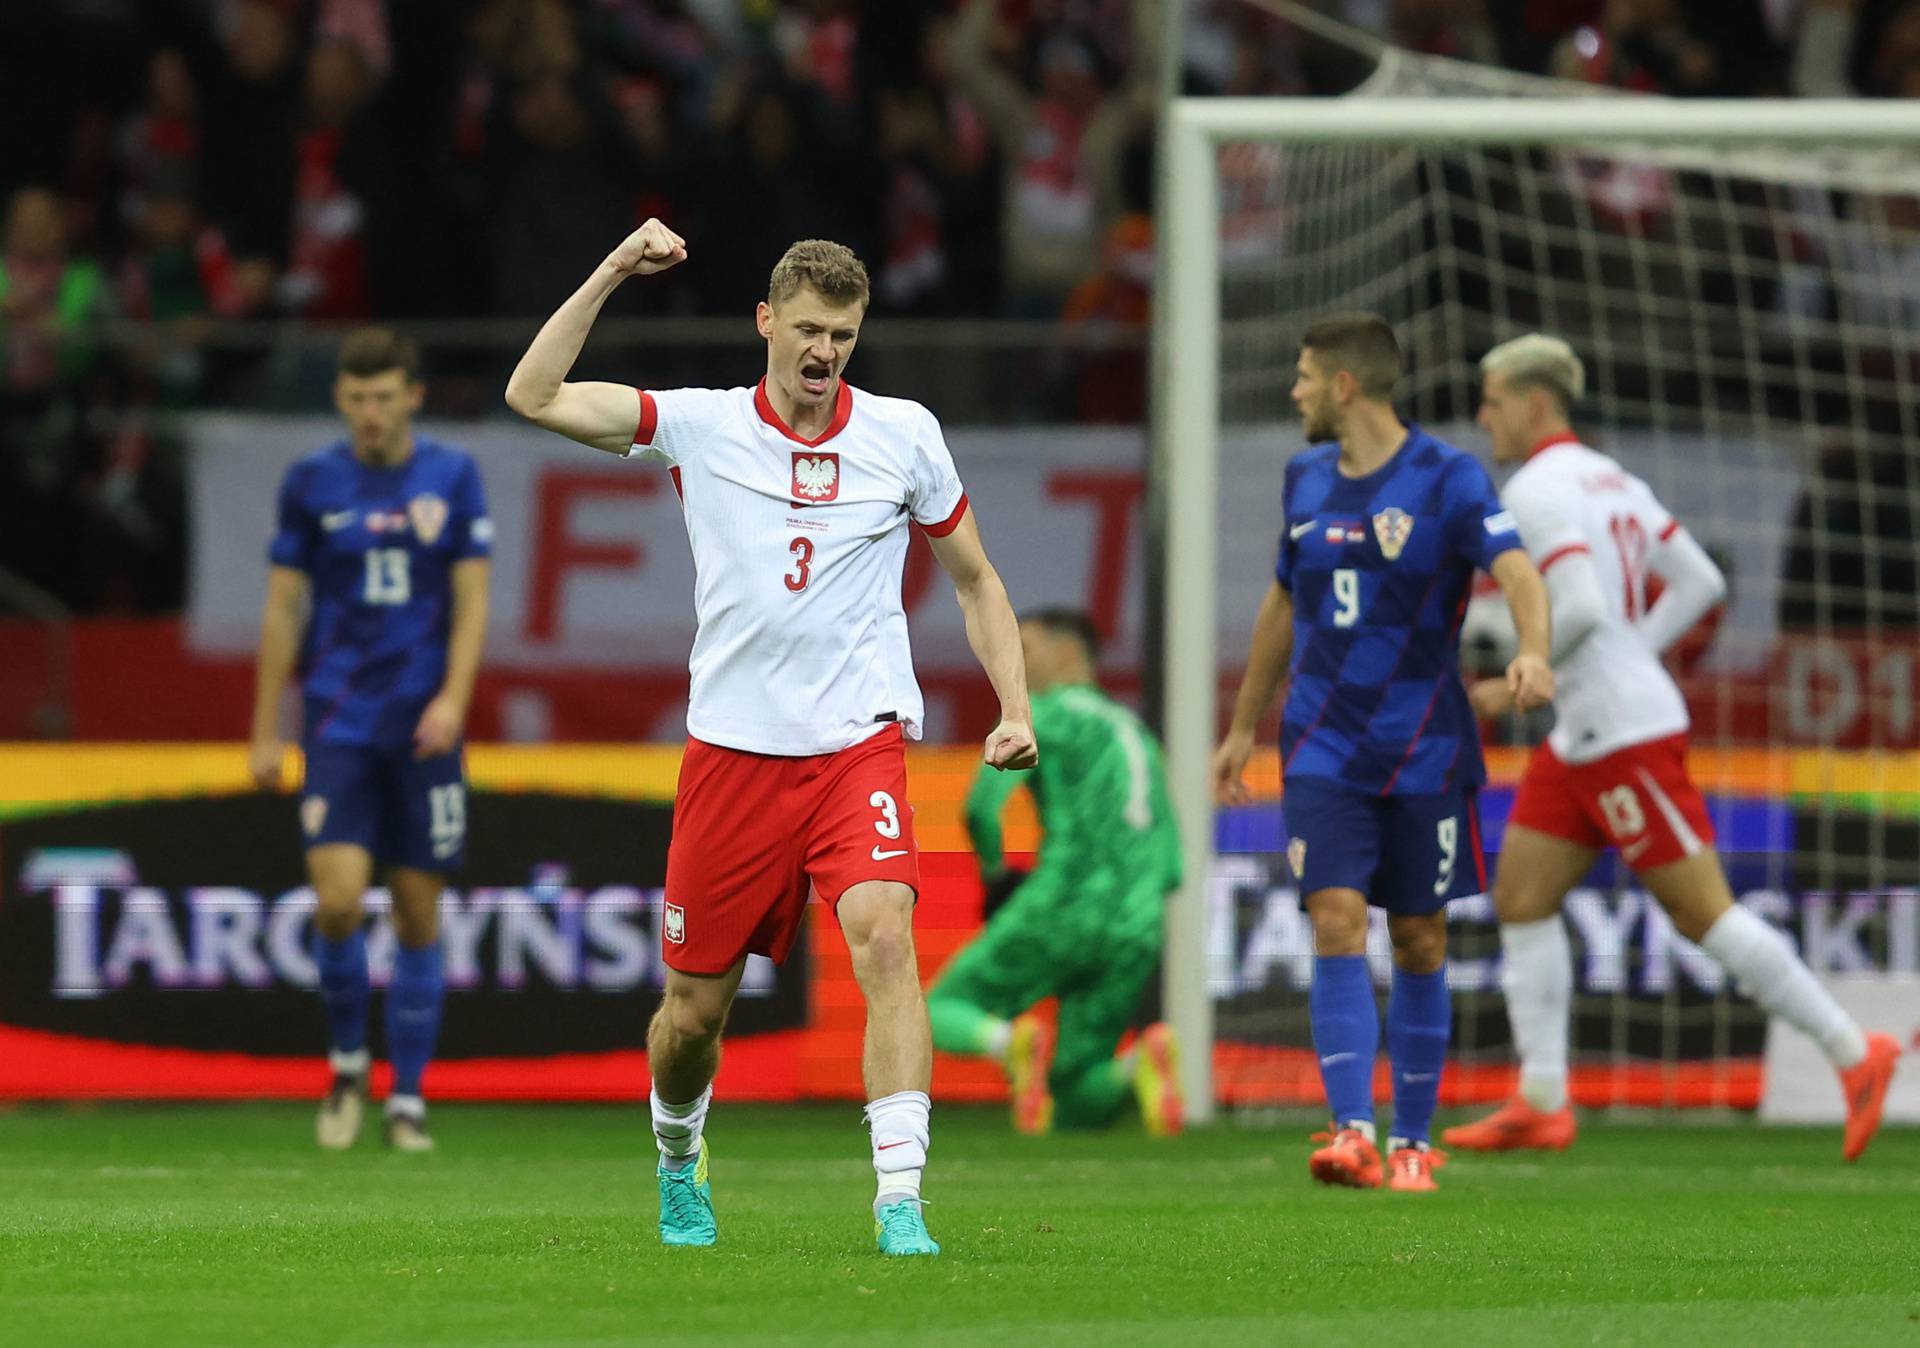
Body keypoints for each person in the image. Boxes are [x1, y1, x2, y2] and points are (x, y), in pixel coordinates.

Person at [504, 222, 1036, 1258]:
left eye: (840, 333)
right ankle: (677, 1152)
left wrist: (1013, 705)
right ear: (765, 323)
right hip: (732, 757)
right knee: (692, 1016)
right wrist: (613, 265)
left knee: (886, 933)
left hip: (856, 745)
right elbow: (533, 395)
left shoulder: (905, 435)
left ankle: (900, 1200)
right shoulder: (698, 427)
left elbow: (977, 581)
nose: (822, 351)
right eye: (804, 328)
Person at [1443, 333, 1903, 1161]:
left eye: (1495, 400)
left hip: (1621, 733)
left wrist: (1529, 662)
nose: (1485, 416)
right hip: (1591, 729)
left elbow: (1578, 606)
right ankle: (1542, 1098)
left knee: (1705, 916)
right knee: (1520, 897)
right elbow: (1703, 582)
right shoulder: (1611, 476)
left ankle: (1852, 1050)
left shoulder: (1539, 489)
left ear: (1536, 402)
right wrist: (1636, 652)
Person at [1211, 312, 1554, 1193]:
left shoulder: (1448, 476)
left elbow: (1518, 572)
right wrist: (1243, 725)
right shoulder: (1304, 477)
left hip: (1425, 746)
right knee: (1333, 915)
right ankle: (1351, 1130)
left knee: (1420, 937)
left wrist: (1532, 651)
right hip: (1322, 741)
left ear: (1345, 386)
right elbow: (1283, 603)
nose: (1294, 393)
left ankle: (1412, 1139)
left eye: (1304, 377)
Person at [248, 327, 492, 1154]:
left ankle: (409, 1098)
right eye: (357, 397)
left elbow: (471, 601)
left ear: (413, 396)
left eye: (385, 396)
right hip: (338, 721)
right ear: (341, 400)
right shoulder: (312, 481)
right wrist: (265, 728)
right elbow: (284, 607)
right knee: (341, 901)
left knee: (420, 913)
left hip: (423, 727)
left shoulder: (453, 477)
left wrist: (456, 700)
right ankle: (349, 1059)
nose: (371, 413)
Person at [927, 608, 1184, 1137]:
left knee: (934, 1008)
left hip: (1067, 899)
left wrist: (997, 880)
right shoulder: (1139, 735)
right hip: (1138, 921)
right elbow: (1173, 864)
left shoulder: (1041, 715)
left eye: (1024, 647)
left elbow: (980, 809)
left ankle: (1011, 1046)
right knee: (1075, 1090)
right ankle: (1138, 1068)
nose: (1012, 658)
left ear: (1067, 655)